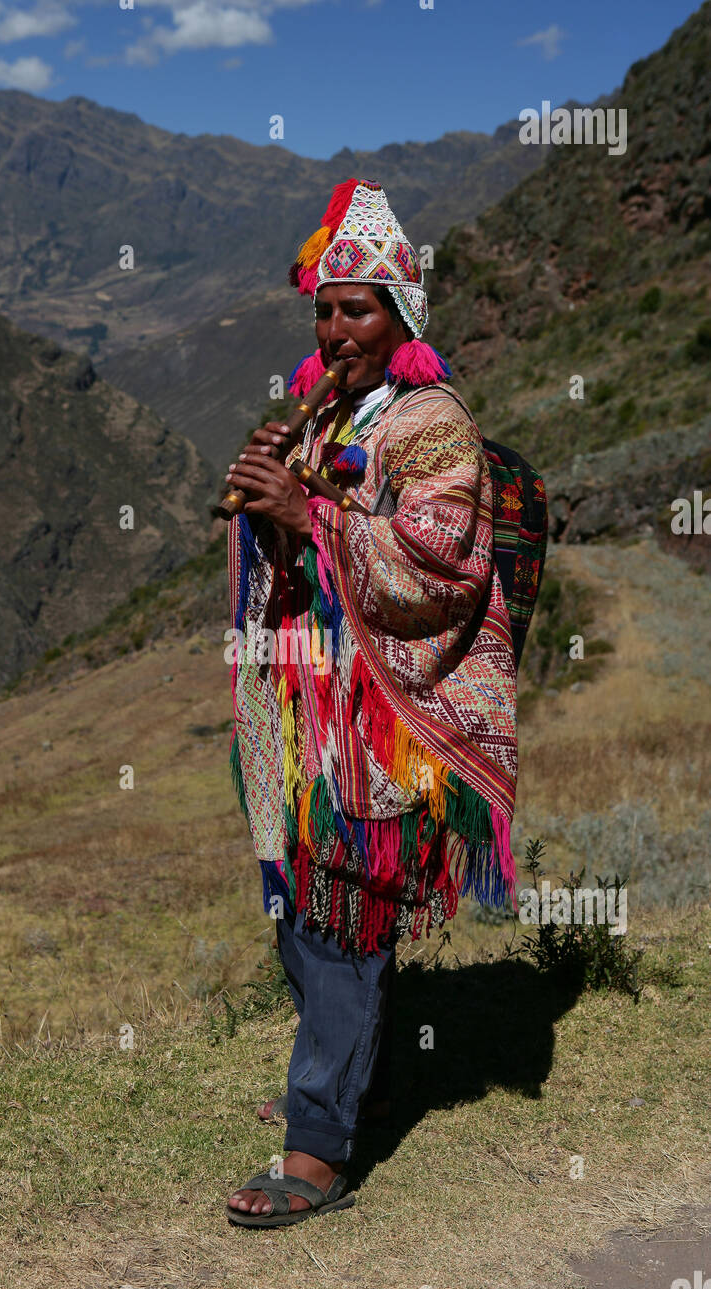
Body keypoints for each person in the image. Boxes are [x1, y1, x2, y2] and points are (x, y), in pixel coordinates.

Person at [224, 178, 518, 1227]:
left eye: (357, 309)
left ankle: (317, 1149)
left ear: (400, 319)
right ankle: (347, 1077)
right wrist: (268, 510)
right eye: (323, 308)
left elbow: (438, 564)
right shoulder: (331, 415)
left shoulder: (432, 424)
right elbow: (297, 555)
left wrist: (309, 514)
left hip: (385, 717)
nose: (334, 327)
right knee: (300, 908)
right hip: (305, 708)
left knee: (345, 908)